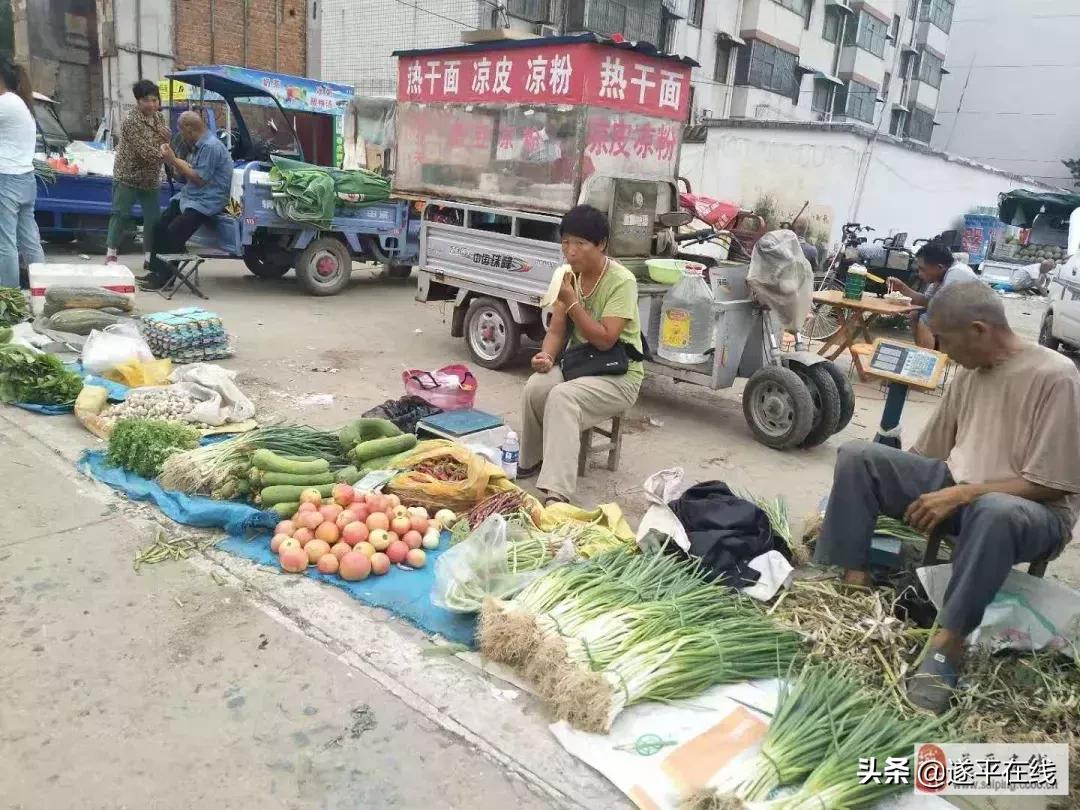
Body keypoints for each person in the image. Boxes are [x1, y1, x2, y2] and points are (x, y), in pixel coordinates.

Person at [814, 281, 1080, 714]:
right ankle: (852, 586)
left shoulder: (1055, 375)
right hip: (964, 490)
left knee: (994, 511)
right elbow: (929, 454)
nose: (943, 351)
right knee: (860, 457)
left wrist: (964, 493)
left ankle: (947, 644)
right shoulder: (969, 373)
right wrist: (906, 479)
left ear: (979, 330)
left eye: (946, 341)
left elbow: (1055, 484)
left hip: (1033, 514)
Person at [519, 205, 643, 504]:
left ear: (601, 244)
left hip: (619, 373)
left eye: (579, 243)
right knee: (537, 386)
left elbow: (604, 340)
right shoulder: (569, 277)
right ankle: (532, 458)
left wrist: (573, 302)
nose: (570, 251)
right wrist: (546, 357)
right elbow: (558, 332)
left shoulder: (622, 281)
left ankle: (557, 491)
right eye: (565, 242)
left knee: (563, 397)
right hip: (582, 364)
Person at [141, 110, 232, 290]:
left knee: (174, 233)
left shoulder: (211, 147)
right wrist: (171, 160)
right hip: (190, 196)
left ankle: (166, 279)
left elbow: (199, 179)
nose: (181, 135)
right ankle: (155, 270)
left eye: (181, 131)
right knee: (158, 225)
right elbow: (187, 172)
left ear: (189, 129)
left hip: (207, 201)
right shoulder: (199, 146)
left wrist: (173, 160)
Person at [106, 79, 171, 265]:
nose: (152, 105)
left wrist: (168, 140)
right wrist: (169, 157)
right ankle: (111, 252)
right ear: (138, 101)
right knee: (120, 214)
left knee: (153, 219)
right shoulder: (131, 121)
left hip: (150, 177)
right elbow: (145, 151)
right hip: (128, 175)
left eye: (154, 100)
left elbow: (164, 143)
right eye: (146, 100)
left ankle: (149, 257)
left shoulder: (159, 117)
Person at [0, 55, 45, 288]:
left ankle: (9, 294)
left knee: (4, 241)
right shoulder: (20, 103)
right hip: (26, 178)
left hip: (6, 178)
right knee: (29, 239)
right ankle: (43, 288)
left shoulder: (5, 102)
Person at [886, 241, 976, 348]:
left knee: (927, 319)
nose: (919, 274)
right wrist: (902, 288)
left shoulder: (956, 274)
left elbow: (941, 307)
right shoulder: (942, 275)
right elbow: (926, 301)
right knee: (914, 314)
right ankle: (923, 351)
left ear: (939, 267)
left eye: (922, 269)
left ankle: (927, 358)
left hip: (977, 322)